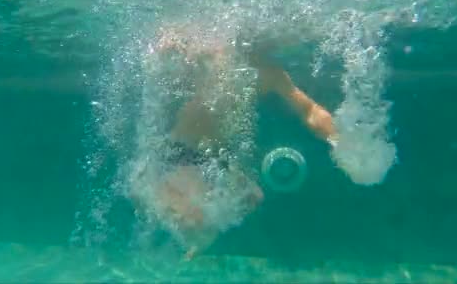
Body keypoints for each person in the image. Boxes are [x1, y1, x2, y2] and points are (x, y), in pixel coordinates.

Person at [130, 23, 337, 259]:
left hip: (215, 156)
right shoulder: (212, 53)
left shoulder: (271, 74)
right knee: (189, 218)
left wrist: (338, 139)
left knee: (253, 198)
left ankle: (191, 224)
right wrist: (169, 42)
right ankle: (160, 199)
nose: (277, 45)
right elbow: (175, 44)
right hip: (181, 150)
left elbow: (309, 110)